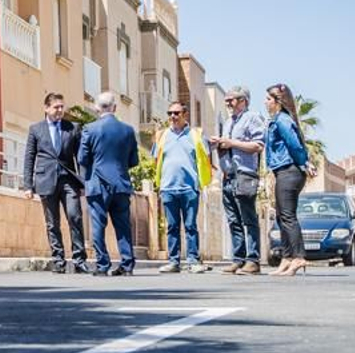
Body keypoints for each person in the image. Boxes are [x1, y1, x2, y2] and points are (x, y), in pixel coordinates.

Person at [21, 92, 88, 274]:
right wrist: (28, 185)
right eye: (56, 107)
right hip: (45, 181)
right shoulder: (36, 129)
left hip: (68, 181)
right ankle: (58, 260)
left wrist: (82, 182)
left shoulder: (72, 128)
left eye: (61, 107)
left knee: (75, 217)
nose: (60, 110)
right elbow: (29, 158)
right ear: (46, 108)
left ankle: (79, 259)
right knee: (52, 223)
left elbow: (80, 158)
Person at [77, 91, 140, 276]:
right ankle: (127, 265)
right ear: (115, 107)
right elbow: (134, 160)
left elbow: (82, 158)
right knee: (123, 226)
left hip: (98, 184)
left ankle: (103, 264)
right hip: (121, 183)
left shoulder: (90, 129)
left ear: (97, 108)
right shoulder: (128, 130)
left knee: (98, 225)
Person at [210, 85, 265, 274]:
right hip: (228, 175)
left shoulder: (252, 118)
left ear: (244, 101)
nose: (228, 104)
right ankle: (238, 258)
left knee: (248, 218)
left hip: (244, 173)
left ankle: (253, 259)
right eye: (226, 101)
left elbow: (258, 145)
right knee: (233, 219)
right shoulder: (228, 123)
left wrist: (231, 143)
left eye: (231, 100)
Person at [152, 101, 211, 273]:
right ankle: (173, 261)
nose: (172, 117)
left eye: (176, 113)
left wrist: (202, 182)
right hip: (168, 188)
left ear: (185, 114)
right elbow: (156, 160)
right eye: (170, 113)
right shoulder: (162, 135)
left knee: (190, 225)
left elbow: (205, 158)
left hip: (189, 188)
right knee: (172, 227)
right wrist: (160, 184)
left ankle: (193, 260)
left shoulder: (196, 135)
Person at [262, 83, 311, 276]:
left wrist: (305, 162)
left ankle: (298, 256)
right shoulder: (276, 120)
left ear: (278, 102)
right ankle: (287, 258)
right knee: (282, 216)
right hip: (282, 171)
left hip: (290, 171)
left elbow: (295, 144)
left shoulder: (282, 120)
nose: (265, 102)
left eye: (268, 99)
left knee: (288, 216)